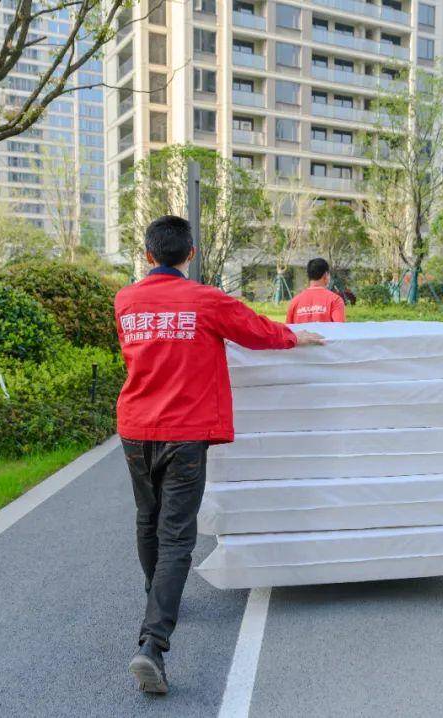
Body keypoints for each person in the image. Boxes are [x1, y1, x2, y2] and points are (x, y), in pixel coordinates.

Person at [114, 216, 325, 695]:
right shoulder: (205, 300)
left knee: (147, 519)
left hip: (135, 428)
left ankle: (157, 598)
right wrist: (296, 337)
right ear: (190, 254)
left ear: (148, 255)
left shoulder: (125, 301)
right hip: (185, 433)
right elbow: (255, 331)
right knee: (176, 536)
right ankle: (152, 644)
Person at [286, 257, 346, 323]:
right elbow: (339, 327)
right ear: (326, 275)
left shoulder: (294, 302)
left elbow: (287, 328)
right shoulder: (335, 300)